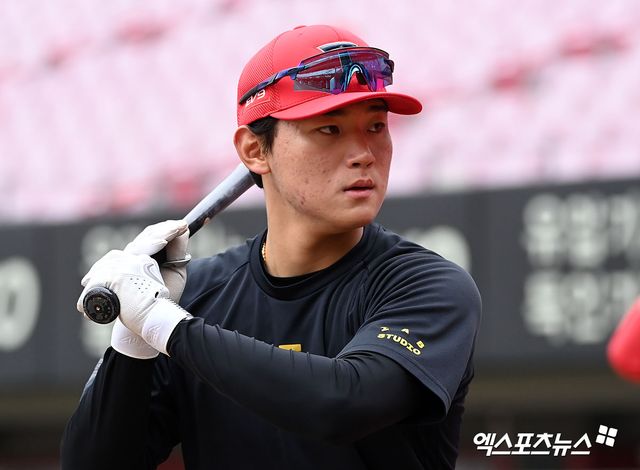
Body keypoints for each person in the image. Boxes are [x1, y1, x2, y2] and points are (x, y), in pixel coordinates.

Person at [61, 24, 481, 469]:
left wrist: (163, 325)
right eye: (330, 129)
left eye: (376, 126)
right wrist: (133, 342)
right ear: (254, 150)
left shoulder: (427, 286)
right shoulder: (195, 297)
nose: (364, 153)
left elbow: (342, 404)